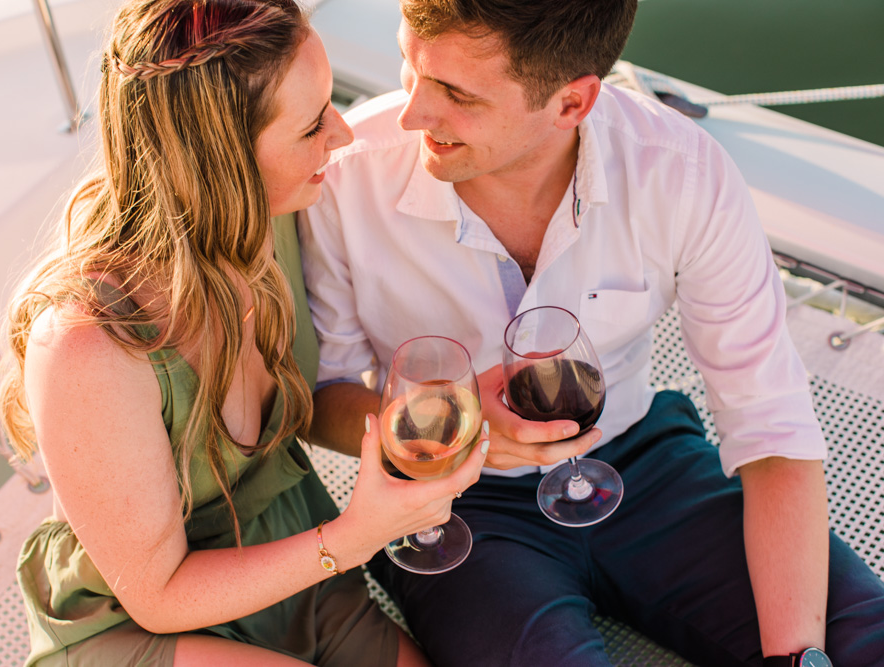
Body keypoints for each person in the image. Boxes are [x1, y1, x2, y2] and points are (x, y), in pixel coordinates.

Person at [297, 0, 884, 665]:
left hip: (648, 463)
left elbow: (773, 427)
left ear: (572, 104)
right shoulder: (345, 177)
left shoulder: (683, 173)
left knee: (861, 637)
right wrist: (451, 424)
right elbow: (324, 398)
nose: (411, 114)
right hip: (454, 508)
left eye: (456, 94)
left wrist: (796, 657)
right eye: (410, 64)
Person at [0, 0, 488, 665]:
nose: (340, 135)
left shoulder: (271, 219)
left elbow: (311, 402)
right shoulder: (86, 345)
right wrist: (357, 534)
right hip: (148, 618)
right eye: (313, 126)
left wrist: (432, 413)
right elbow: (158, 595)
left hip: (277, 553)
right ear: (220, 162)